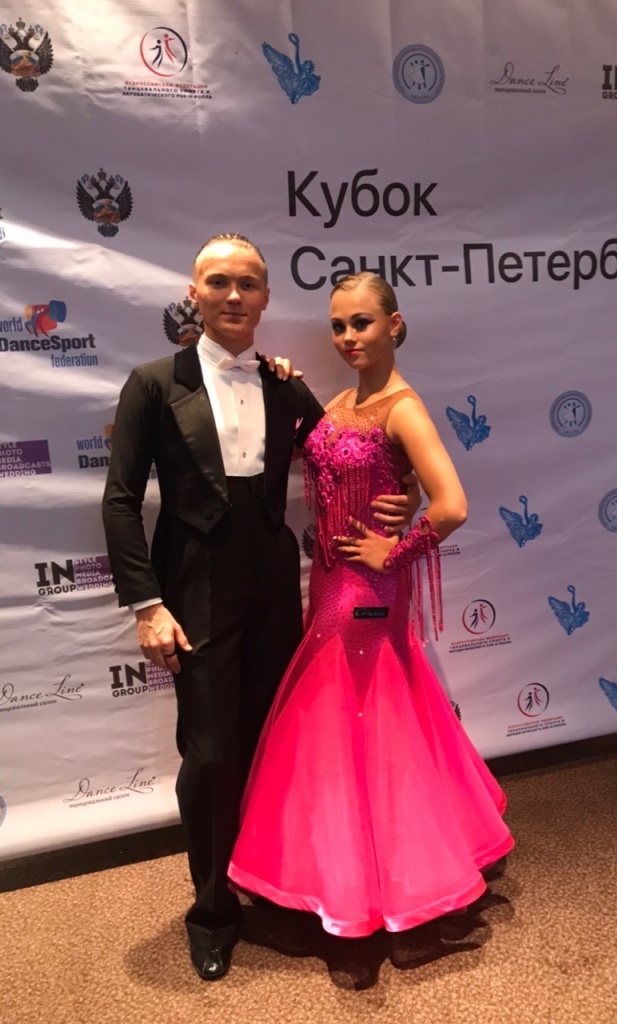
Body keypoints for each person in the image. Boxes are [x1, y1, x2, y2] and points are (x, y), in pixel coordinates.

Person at [102, 238, 415, 981]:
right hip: (195, 589)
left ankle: (277, 888)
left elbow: (353, 449)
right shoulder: (154, 383)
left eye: (248, 283)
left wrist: (403, 502)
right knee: (212, 756)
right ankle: (212, 913)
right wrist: (146, 603)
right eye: (219, 282)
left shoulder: (283, 386)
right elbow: (120, 500)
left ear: (267, 298)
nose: (233, 295)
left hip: (277, 584)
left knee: (283, 745)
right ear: (194, 292)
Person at [228, 271, 513, 939]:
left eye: (361, 322)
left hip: (369, 591)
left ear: (394, 325)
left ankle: (381, 886)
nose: (348, 336)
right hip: (331, 582)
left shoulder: (402, 408)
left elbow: (453, 505)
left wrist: (397, 551)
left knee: (365, 717)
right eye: (338, 325)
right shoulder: (342, 401)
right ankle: (352, 871)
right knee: (352, 723)